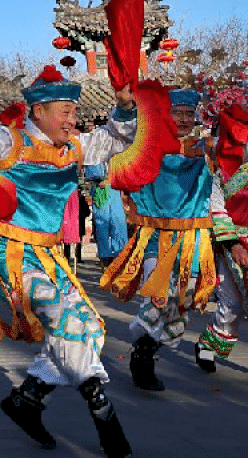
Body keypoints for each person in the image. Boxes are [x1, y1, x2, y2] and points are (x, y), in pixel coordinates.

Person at [0, 67, 136, 458]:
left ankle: (28, 399)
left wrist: (124, 106)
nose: (73, 120)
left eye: (74, 112)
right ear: (37, 110)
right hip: (11, 255)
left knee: (89, 329)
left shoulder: (74, 146)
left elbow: (114, 138)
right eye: (66, 111)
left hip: (50, 256)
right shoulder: (12, 141)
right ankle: (102, 411)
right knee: (68, 324)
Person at [99, 88, 223, 391]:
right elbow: (119, 132)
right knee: (157, 295)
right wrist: (126, 106)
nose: (182, 119)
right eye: (176, 112)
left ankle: (150, 347)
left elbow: (235, 144)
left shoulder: (206, 147)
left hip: (195, 238)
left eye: (187, 113)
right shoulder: (147, 146)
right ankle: (142, 356)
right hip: (156, 235)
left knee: (182, 302)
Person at [195, 86, 248, 374]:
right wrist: (235, 244)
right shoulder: (220, 176)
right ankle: (207, 346)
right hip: (232, 243)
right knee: (231, 301)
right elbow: (217, 209)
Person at [86, 162, 128, 266]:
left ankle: (120, 253)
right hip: (101, 188)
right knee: (102, 222)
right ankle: (106, 256)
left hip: (113, 187)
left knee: (118, 221)